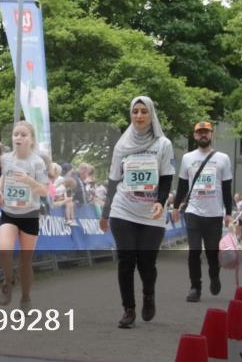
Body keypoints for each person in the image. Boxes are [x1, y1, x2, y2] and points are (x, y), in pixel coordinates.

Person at [100, 96, 175, 328]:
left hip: (151, 213)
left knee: (146, 263)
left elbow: (166, 178)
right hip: (123, 209)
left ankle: (148, 295)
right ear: (130, 115)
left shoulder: (163, 144)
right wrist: (105, 213)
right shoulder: (122, 146)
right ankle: (128, 309)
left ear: (151, 115)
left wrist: (161, 203)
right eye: (135, 112)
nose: (139, 116)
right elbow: (113, 181)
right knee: (126, 259)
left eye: (144, 111)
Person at [172, 120, 233, 302]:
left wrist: (228, 212)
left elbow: (227, 187)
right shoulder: (187, 158)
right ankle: (195, 287)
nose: (203, 135)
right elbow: (182, 185)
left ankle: (214, 276)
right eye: (200, 132)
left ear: (212, 135)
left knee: (212, 253)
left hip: (214, 214)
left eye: (206, 132)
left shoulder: (223, 158)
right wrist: (176, 207)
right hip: (193, 212)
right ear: (195, 136)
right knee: (194, 251)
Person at [0, 121, 49, 309]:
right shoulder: (6, 159)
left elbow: (44, 191)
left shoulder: (37, 162)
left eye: (23, 135)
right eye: (16, 134)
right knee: (3, 250)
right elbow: (3, 176)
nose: (18, 137)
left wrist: (29, 181)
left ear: (31, 140)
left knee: (25, 261)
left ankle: (25, 297)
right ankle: (8, 281)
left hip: (30, 214)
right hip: (9, 212)